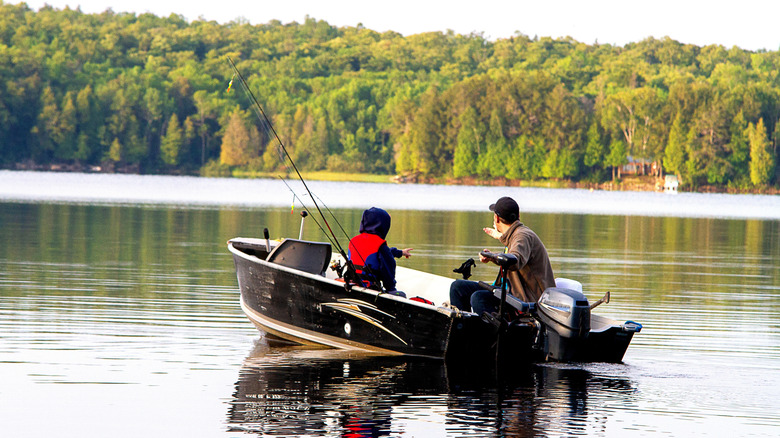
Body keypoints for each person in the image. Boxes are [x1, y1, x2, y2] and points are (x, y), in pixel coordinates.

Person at [449, 196, 555, 315]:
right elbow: (512, 245)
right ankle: (463, 329)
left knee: (479, 298)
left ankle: (491, 333)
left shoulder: (522, 236)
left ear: (497, 218)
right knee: (458, 287)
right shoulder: (516, 233)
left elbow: (516, 260)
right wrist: (493, 253)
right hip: (510, 291)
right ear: (518, 217)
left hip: (527, 300)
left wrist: (494, 257)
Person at [348, 207, 413, 296]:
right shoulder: (380, 246)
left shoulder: (353, 241)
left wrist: (400, 252)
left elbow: (373, 253)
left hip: (352, 283)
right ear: (382, 226)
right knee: (401, 295)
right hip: (370, 289)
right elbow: (388, 275)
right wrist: (391, 288)